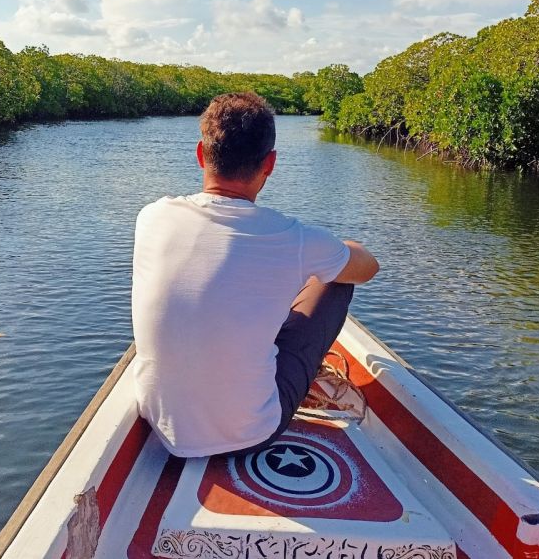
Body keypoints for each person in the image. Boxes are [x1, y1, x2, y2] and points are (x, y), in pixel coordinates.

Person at [131, 92, 379, 458]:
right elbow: (367, 269)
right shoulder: (291, 237)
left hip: (161, 424)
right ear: (270, 164)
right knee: (335, 284)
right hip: (251, 434)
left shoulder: (152, 216)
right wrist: (343, 246)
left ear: (201, 153)